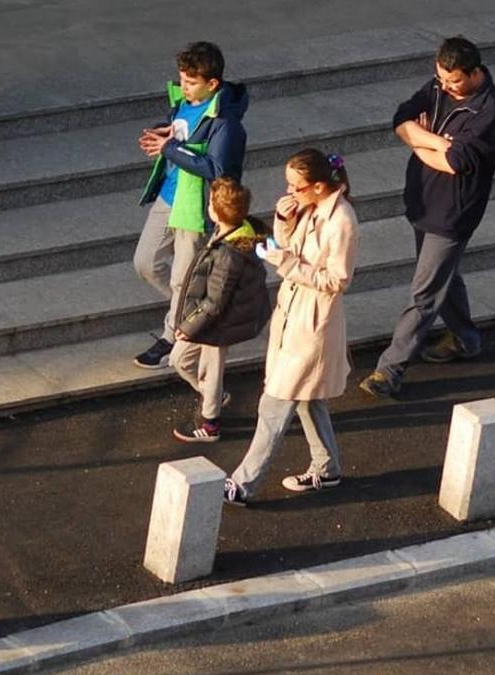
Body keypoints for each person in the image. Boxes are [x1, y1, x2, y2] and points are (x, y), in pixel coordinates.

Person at [359, 36, 495, 398]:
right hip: (424, 201)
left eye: (453, 81)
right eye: (440, 79)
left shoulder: (490, 113)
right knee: (445, 276)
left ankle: (390, 370)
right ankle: (466, 338)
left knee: (425, 292)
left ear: (474, 73)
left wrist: (421, 140)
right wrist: (434, 141)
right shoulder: (439, 87)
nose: (444, 87)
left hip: (452, 215)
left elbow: (458, 162)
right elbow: (401, 119)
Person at [223, 149, 358, 507]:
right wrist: (284, 223)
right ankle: (327, 468)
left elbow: (338, 280)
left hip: (313, 322)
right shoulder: (311, 207)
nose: (289, 191)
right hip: (294, 314)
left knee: (277, 401)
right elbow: (291, 248)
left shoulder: (341, 220)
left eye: (296, 187)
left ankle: (243, 483)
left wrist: (283, 261)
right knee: (307, 398)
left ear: (317, 186)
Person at [133, 41, 249, 369]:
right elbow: (181, 129)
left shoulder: (226, 123)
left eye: (190, 82)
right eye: (181, 79)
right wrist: (165, 131)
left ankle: (171, 337)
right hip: (168, 196)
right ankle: (196, 312)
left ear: (213, 84)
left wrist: (170, 148)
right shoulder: (186, 102)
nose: (183, 87)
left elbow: (217, 169)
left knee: (182, 278)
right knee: (146, 263)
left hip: (194, 206)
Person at [170, 178, 272, 442]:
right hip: (219, 316)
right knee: (182, 360)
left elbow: (215, 300)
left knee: (205, 366)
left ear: (215, 211)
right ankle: (213, 396)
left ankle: (210, 422)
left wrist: (187, 327)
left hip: (220, 320)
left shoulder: (228, 253)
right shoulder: (237, 232)